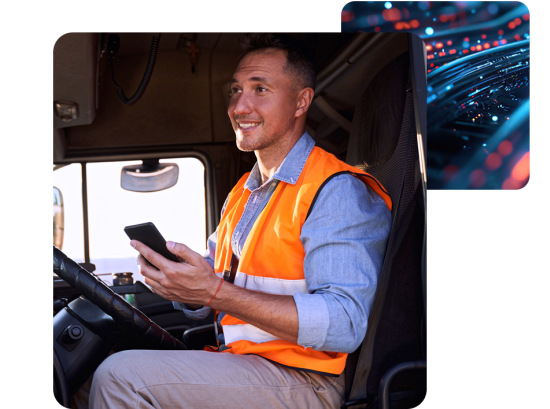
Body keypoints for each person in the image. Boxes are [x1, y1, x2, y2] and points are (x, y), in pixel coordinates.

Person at [83, 32, 392, 409]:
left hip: (309, 380)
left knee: (121, 378)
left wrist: (213, 292)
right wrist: (185, 287)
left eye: (260, 89)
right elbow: (222, 285)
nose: (239, 106)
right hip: (246, 361)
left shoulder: (335, 191)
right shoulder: (242, 193)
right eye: (235, 90)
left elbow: (344, 324)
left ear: (301, 101)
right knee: (85, 378)